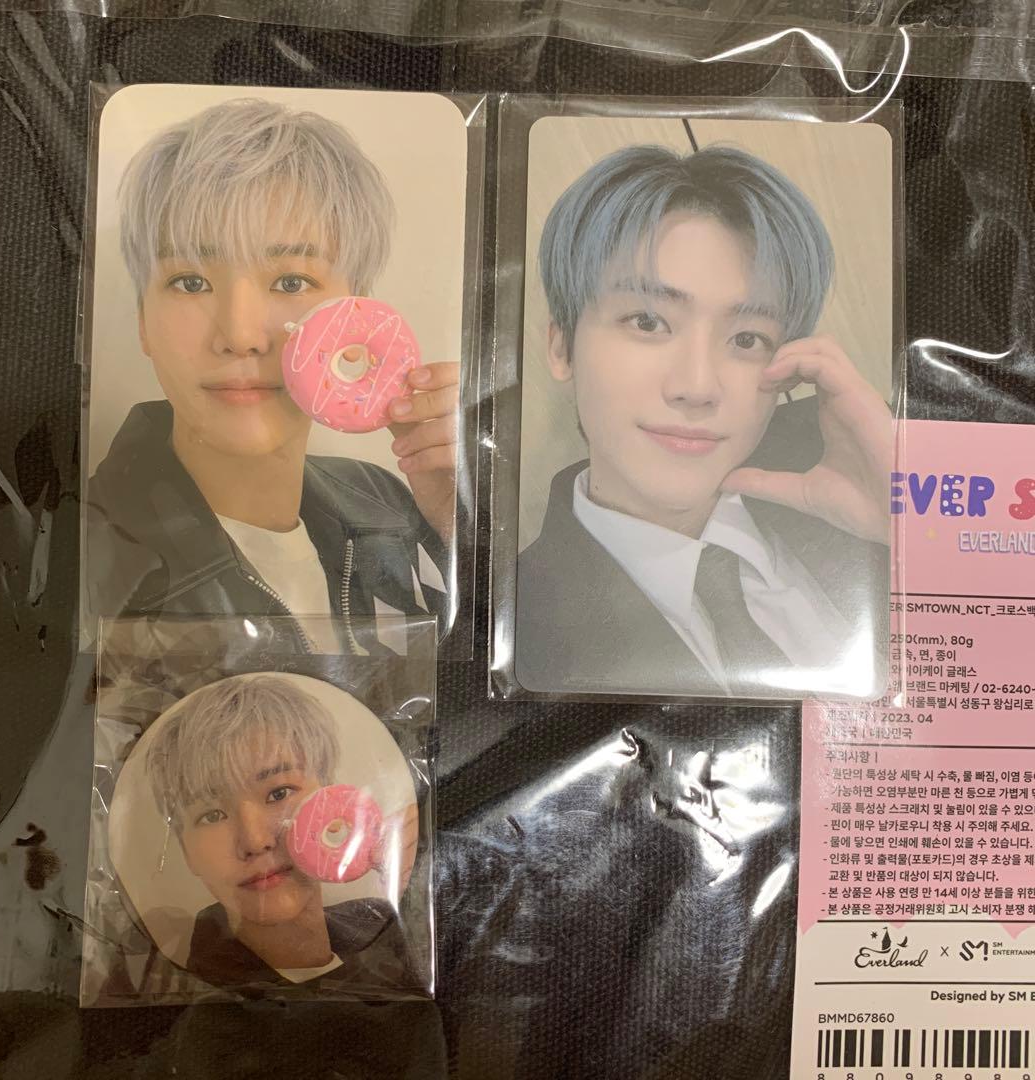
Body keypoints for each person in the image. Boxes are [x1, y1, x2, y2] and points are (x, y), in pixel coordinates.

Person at [515, 144, 891, 698]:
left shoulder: (866, 480)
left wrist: (913, 528)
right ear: (562, 346)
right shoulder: (511, 629)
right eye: (648, 322)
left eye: (747, 338)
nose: (697, 387)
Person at [85, 99, 458, 652]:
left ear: (356, 312)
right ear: (143, 320)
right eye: (191, 282)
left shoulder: (390, 502)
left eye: (290, 282)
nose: (240, 336)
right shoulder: (77, 559)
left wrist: (461, 528)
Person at [142, 673, 423, 993]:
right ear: (185, 850)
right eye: (212, 815)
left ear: (330, 799)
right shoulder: (171, 1001)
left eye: (279, 793)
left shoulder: (387, 925)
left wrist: (428, 894)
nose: (255, 841)